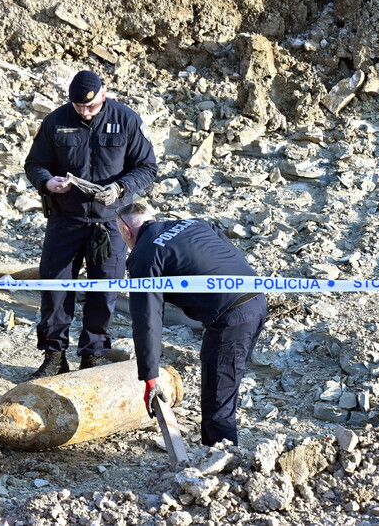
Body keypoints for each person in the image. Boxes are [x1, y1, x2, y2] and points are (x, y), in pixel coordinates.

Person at [24, 70, 158, 379]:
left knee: (103, 292)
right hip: (65, 220)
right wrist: (48, 182)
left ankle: (92, 359)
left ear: (103, 96)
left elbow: (147, 166)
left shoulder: (126, 119)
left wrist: (120, 188)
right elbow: (35, 164)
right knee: (55, 289)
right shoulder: (56, 121)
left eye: (91, 106)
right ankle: (54, 358)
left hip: (110, 223)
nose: (85, 112)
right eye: (79, 107)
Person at [115, 202, 268, 447]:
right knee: (225, 386)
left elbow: (148, 318)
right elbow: (231, 253)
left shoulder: (144, 254)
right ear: (154, 218)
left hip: (231, 318)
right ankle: (222, 452)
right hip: (257, 300)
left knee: (217, 399)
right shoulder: (194, 223)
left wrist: (150, 376)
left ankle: (223, 461)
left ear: (125, 231)